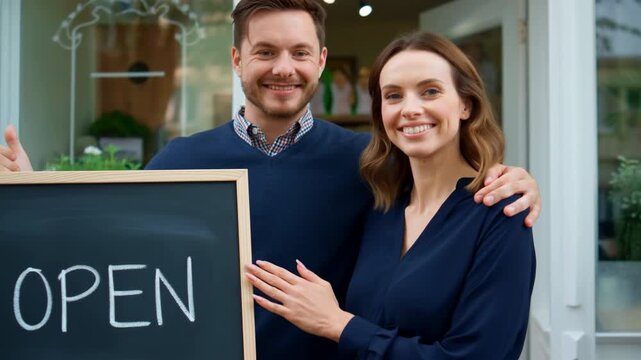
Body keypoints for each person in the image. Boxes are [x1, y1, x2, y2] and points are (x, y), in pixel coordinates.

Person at [0, 1, 540, 359]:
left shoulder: (372, 165)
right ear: (237, 59)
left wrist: (513, 180)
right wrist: (33, 196)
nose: (284, 67)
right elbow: (105, 245)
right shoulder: (181, 160)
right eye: (265, 52)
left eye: (300, 52)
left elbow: (449, 189)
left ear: (322, 61)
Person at [245, 31, 535, 359]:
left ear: (466, 104)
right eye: (394, 96)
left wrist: (339, 324)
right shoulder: (381, 205)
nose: (410, 109)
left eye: (430, 91)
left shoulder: (499, 213)